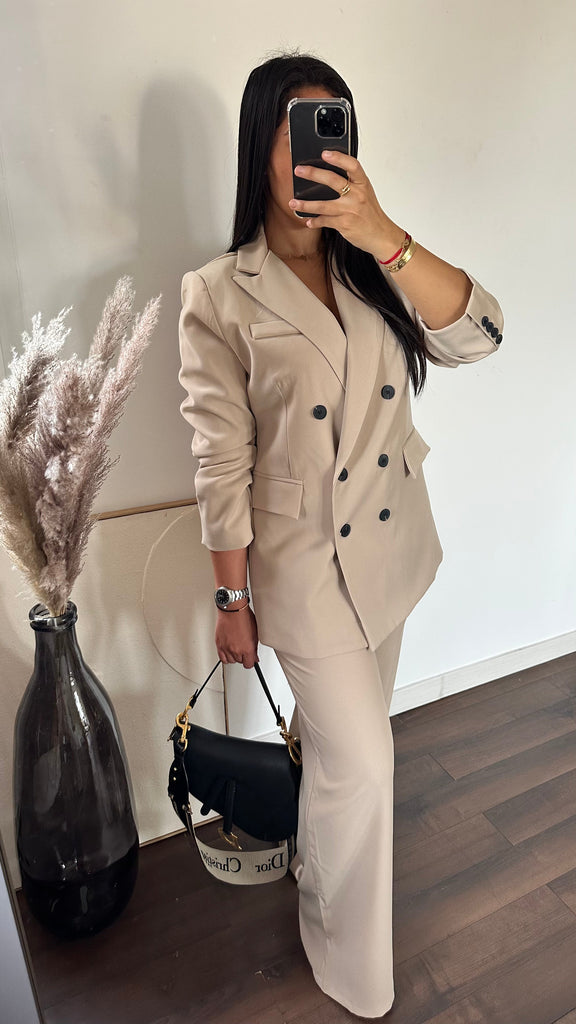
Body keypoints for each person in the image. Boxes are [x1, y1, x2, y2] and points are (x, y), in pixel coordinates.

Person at [177, 52, 503, 1020]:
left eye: (336, 129)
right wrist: (231, 599)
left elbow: (481, 335)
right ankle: (349, 963)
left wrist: (383, 233)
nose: (319, 151)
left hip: (391, 552)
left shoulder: (374, 264)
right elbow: (219, 460)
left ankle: (313, 866)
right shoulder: (219, 292)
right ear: (262, 145)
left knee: (337, 757)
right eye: (299, 130)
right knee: (363, 765)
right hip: (304, 571)